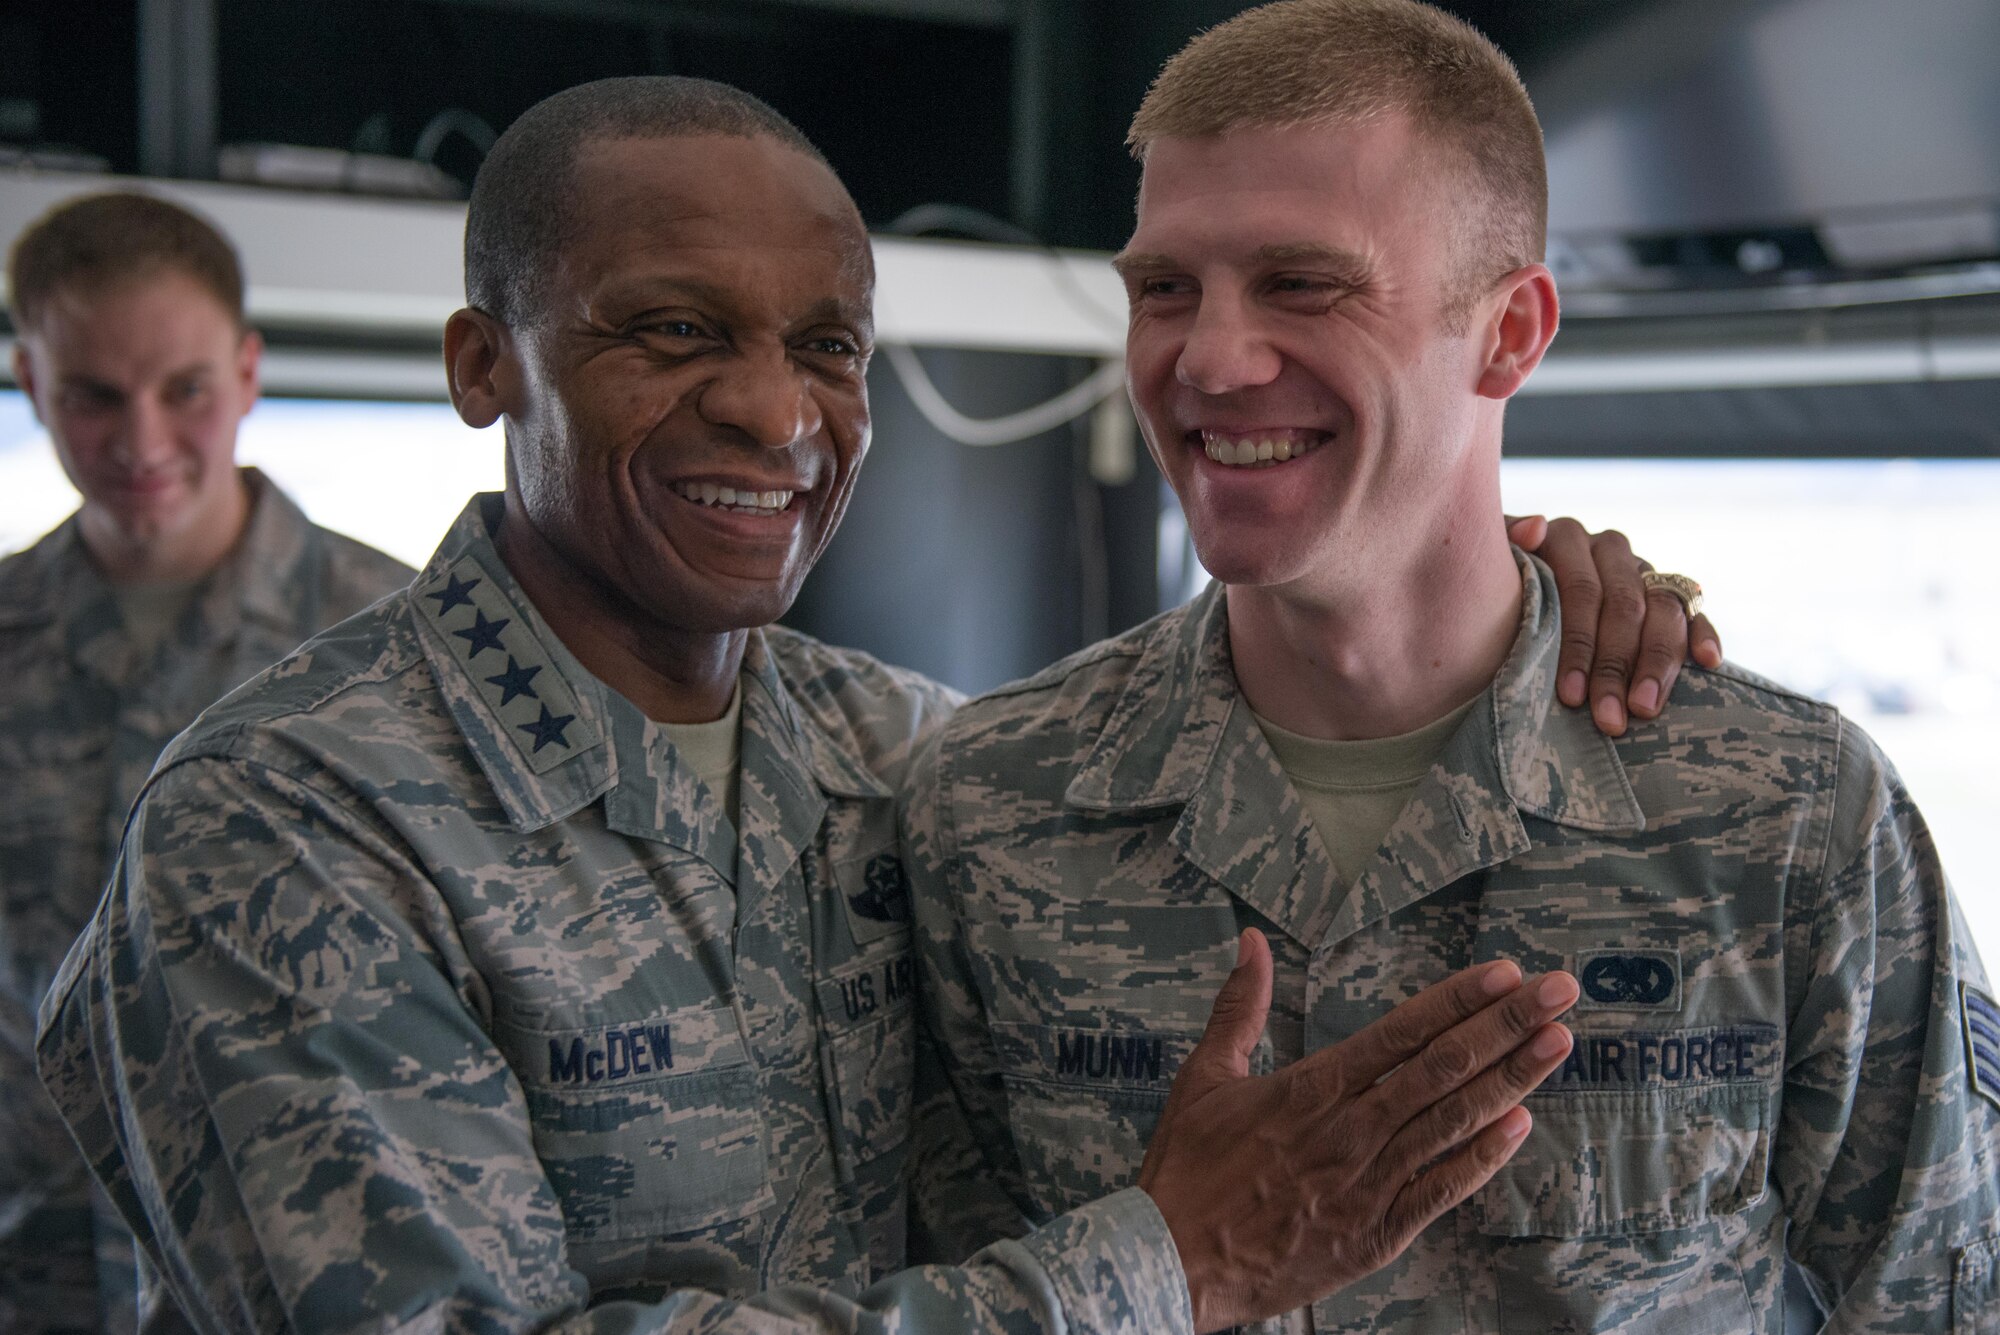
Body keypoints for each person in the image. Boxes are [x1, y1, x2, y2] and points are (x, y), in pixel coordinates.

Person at [36, 78, 1704, 1334]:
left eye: (829, 348)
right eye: (674, 331)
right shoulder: (281, 831)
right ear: (487, 365)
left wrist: (1506, 594)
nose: (774, 412)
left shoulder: (898, 756)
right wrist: (1167, 1266)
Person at [904, 2, 2000, 1332]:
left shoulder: (1792, 816)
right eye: (1164, 288)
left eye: (1304, 284)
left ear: (1512, 332)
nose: (1207, 357)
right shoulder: (991, 806)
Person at [0, 193, 413, 1334]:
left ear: (245, 374)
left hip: (295, 1275)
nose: (140, 443)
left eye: (183, 391)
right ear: (31, 383)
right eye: (91, 396)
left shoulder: (387, 640)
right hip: (34, 1274)